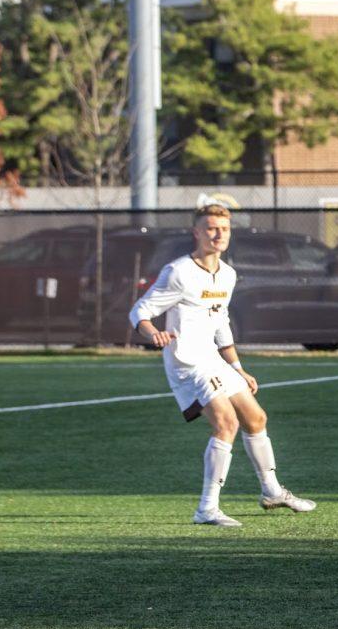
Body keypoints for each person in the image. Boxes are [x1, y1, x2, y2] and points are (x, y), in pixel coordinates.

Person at [129, 204, 316, 527]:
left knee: (256, 418)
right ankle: (207, 508)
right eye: (212, 228)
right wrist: (153, 333)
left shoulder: (227, 275)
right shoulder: (178, 272)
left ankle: (271, 491)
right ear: (197, 232)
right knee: (226, 423)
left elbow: (221, 324)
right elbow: (139, 312)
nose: (219, 234)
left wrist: (238, 368)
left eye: (224, 229)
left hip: (213, 360)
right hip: (187, 362)